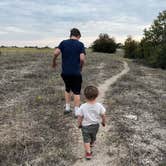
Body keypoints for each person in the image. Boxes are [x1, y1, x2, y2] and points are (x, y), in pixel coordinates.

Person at [52, 28, 86, 115]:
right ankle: (77, 112)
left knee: (67, 89)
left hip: (65, 72)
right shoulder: (80, 44)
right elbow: (82, 58)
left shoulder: (63, 43)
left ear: (70, 35)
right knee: (76, 91)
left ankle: (67, 108)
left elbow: (56, 53)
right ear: (78, 36)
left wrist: (54, 62)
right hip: (76, 72)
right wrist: (81, 67)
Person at [77, 85, 106, 160]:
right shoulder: (99, 106)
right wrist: (103, 122)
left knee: (86, 139)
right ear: (96, 96)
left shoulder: (83, 106)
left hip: (85, 126)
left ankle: (88, 153)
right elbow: (103, 115)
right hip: (95, 125)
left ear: (85, 96)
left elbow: (80, 117)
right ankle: (92, 143)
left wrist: (79, 124)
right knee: (93, 135)